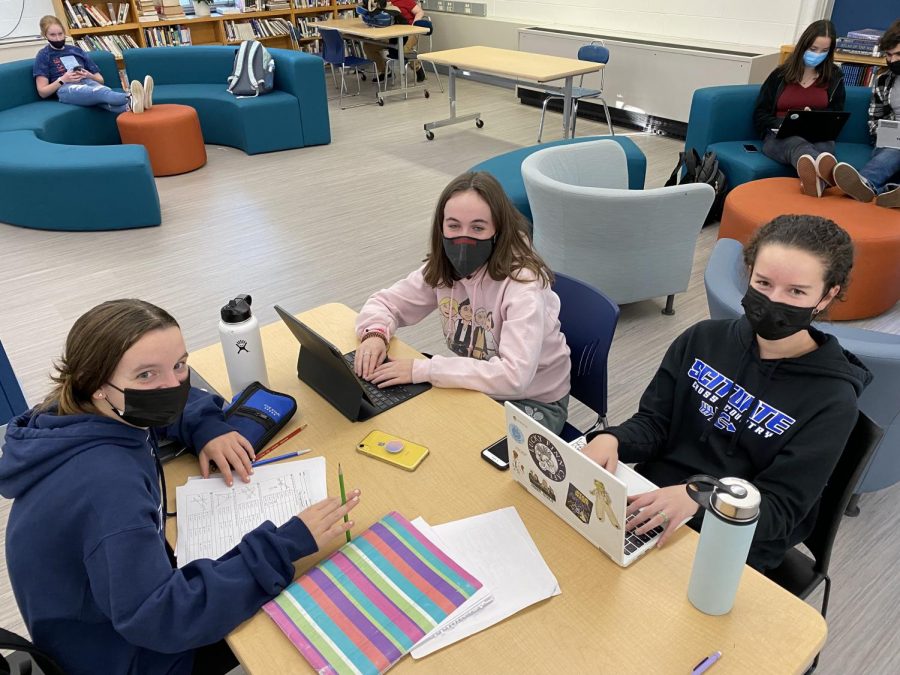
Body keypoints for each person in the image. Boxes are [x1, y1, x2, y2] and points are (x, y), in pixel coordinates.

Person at [0, 299, 360, 675]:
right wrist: (283, 546)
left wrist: (208, 430)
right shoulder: (107, 488)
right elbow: (161, 618)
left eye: (179, 365)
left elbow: (176, 404)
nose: (173, 387)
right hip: (128, 656)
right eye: (146, 376)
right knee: (312, 598)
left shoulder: (75, 412)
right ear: (96, 385)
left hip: (97, 621)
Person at [580, 215, 870, 572]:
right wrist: (613, 439)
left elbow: (780, 510)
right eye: (763, 282)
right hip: (653, 498)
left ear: (827, 296)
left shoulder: (834, 401)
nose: (774, 300)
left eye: (796, 291)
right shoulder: (702, 339)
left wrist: (701, 498)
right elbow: (655, 423)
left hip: (738, 536)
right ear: (749, 272)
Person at [353, 171, 572, 434]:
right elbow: (385, 303)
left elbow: (515, 379)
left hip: (534, 400)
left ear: (498, 231)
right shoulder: (445, 269)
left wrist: (425, 369)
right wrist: (375, 334)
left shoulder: (522, 286)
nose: (463, 239)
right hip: (479, 385)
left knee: (460, 454)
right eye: (454, 226)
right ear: (441, 226)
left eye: (478, 227)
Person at [753, 20, 846, 198]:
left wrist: (813, 117)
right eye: (813, 49)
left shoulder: (834, 77)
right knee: (798, 145)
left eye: (824, 51)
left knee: (825, 147)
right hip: (779, 136)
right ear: (803, 46)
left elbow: (837, 114)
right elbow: (760, 114)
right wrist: (786, 122)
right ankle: (833, 177)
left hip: (818, 134)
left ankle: (815, 181)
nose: (817, 54)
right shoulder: (780, 75)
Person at [833, 19, 900, 208]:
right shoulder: (883, 81)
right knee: (894, 149)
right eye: (889, 55)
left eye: (898, 54)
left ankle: (868, 184)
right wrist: (886, 133)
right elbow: (874, 121)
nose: (893, 60)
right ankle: (887, 190)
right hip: (892, 143)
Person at [33, 15, 153, 114]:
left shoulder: (76, 50)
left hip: (87, 81)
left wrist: (89, 75)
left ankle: (134, 106)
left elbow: (100, 80)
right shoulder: (44, 55)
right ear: (45, 36)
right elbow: (43, 92)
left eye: (60, 34)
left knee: (103, 96)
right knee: (100, 93)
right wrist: (63, 79)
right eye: (52, 35)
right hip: (65, 89)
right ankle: (133, 97)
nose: (58, 38)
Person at [363, 0, 428, 84]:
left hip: (410, 32)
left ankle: (417, 67)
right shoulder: (382, 2)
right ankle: (386, 71)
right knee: (368, 47)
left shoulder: (405, 1)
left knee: (403, 49)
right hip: (391, 34)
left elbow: (420, 12)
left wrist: (414, 24)